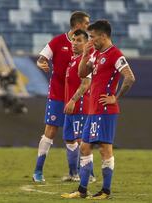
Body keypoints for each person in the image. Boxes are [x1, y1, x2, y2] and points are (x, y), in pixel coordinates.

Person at [61, 20, 136, 199]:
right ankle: (82, 190)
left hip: (105, 110)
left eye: (93, 37)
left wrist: (115, 98)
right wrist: (86, 54)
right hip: (93, 110)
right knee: (85, 148)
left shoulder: (115, 54)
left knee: (104, 149)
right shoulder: (95, 52)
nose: (91, 40)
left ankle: (105, 191)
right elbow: (81, 74)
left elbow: (130, 77)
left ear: (103, 36)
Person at [32, 11, 90, 183]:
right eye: (87, 24)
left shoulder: (87, 45)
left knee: (77, 137)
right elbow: (41, 58)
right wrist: (41, 63)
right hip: (57, 95)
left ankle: (78, 172)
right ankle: (38, 171)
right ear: (78, 25)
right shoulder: (58, 41)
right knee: (50, 131)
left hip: (78, 97)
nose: (89, 26)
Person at [61, 29, 95, 182]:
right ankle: (73, 173)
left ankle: (90, 175)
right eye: (73, 40)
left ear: (86, 43)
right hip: (70, 107)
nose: (74, 43)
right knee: (69, 139)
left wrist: (73, 100)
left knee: (82, 141)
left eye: (79, 40)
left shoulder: (86, 60)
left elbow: (86, 84)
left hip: (80, 105)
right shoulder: (73, 59)